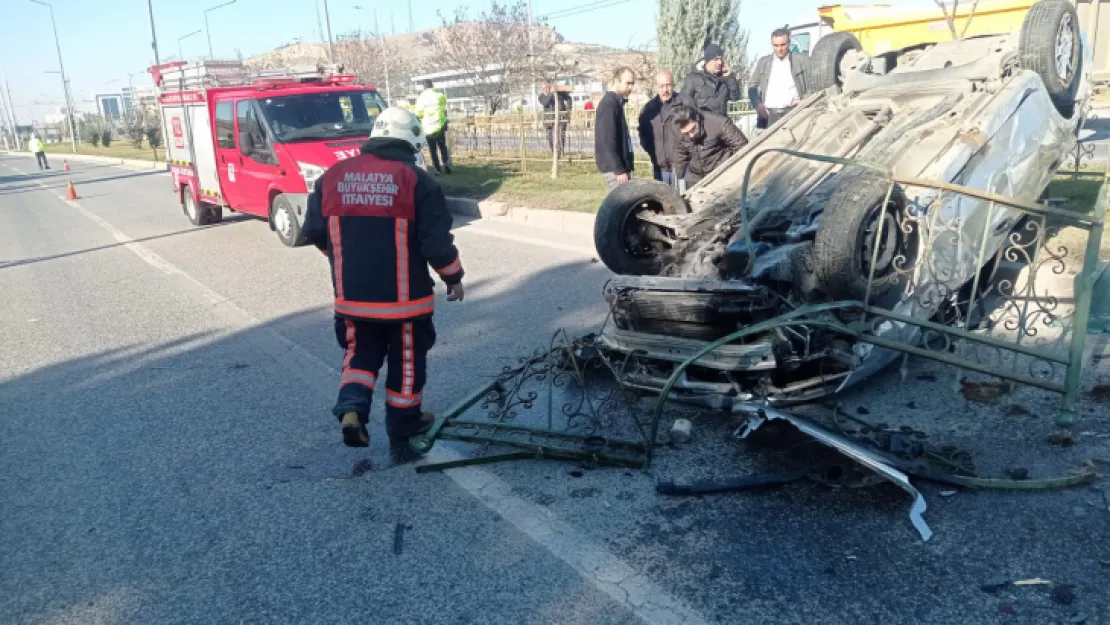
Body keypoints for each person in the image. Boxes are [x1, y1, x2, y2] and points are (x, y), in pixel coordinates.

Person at [303, 106, 466, 452]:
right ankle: (404, 426)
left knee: (359, 355)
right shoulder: (416, 180)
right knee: (407, 361)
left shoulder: (331, 176)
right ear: (411, 143)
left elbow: (316, 232)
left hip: (352, 299)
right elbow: (435, 243)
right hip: (405, 303)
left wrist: (340, 257)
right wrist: (453, 277)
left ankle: (351, 408)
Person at [748, 28, 812, 130]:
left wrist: (805, 100)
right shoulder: (763, 62)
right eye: (776, 46)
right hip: (770, 116)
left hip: (793, 112)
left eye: (783, 45)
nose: (779, 49)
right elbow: (752, 85)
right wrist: (757, 104)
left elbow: (814, 83)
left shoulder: (802, 60)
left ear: (789, 43)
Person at [671, 105, 749, 186]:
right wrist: (679, 174)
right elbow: (680, 152)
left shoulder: (718, 122)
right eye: (686, 133)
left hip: (721, 174)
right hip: (696, 178)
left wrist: (734, 170)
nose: (691, 135)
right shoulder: (677, 129)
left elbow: (742, 146)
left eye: (693, 129)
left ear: (697, 119)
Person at [637, 70, 692, 186]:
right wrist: (653, 153)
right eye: (661, 86)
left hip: (682, 166)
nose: (665, 90)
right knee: (663, 202)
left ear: (673, 85)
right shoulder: (649, 109)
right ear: (656, 87)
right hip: (660, 168)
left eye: (668, 85)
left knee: (682, 201)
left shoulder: (685, 102)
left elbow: (695, 130)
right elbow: (643, 134)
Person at [594, 67, 636, 190]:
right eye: (627, 83)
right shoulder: (609, 104)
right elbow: (607, 141)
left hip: (620, 167)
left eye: (632, 84)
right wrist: (618, 169)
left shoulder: (616, 103)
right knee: (623, 206)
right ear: (616, 81)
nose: (631, 87)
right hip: (615, 170)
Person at [680, 43, 742, 116]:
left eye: (720, 59)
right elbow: (684, 102)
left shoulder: (725, 79)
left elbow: (735, 97)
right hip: (702, 124)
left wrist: (729, 77)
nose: (719, 62)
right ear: (708, 61)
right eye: (716, 59)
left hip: (722, 124)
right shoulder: (693, 78)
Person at [415, 79, 452, 174]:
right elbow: (444, 109)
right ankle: (446, 163)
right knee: (442, 146)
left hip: (429, 128)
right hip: (440, 125)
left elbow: (419, 113)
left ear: (424, 87)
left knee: (433, 149)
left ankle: (437, 169)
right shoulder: (440, 96)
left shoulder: (421, 98)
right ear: (432, 86)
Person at [538, 83, 572, 157]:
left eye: (547, 87)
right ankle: (554, 152)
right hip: (549, 119)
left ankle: (561, 151)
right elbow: (545, 102)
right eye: (544, 88)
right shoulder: (541, 97)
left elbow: (569, 98)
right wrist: (552, 94)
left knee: (561, 135)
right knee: (550, 136)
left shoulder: (559, 94)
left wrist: (568, 110)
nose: (546, 89)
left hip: (561, 117)